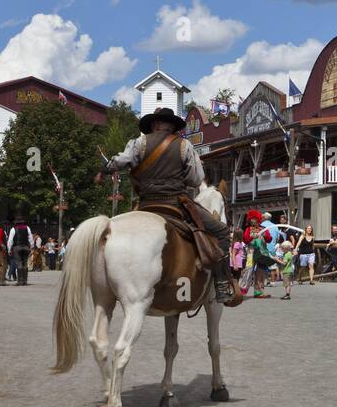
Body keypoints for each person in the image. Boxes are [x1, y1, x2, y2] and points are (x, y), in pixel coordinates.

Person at [99, 106, 241, 306]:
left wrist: (105, 168)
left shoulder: (139, 142)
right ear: (172, 125)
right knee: (221, 231)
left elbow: (121, 161)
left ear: (154, 124)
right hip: (175, 202)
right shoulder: (183, 145)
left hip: (146, 204)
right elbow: (196, 179)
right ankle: (221, 283)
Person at [8, 218, 33, 285]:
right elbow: (30, 238)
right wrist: (31, 247)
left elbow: (10, 240)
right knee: (25, 263)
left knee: (19, 263)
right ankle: (25, 280)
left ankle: (20, 281)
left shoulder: (13, 229)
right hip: (26, 247)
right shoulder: (27, 228)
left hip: (17, 247)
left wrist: (9, 249)